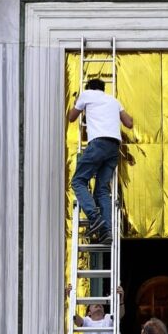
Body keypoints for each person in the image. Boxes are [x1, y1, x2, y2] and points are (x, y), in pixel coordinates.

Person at [67, 78, 133, 244]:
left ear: (89, 87)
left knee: (78, 181)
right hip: (113, 147)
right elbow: (129, 123)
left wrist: (77, 102)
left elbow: (71, 118)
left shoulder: (86, 94)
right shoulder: (113, 100)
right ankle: (106, 232)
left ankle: (94, 217)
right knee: (102, 190)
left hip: (98, 143)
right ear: (103, 89)